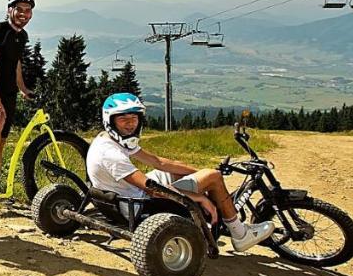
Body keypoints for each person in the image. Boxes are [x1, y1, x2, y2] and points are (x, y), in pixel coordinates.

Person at [87, 93, 275, 251]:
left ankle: (208, 218)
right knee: (214, 177)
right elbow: (150, 189)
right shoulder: (111, 154)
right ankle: (240, 233)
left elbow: (158, 162)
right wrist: (198, 197)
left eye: (133, 119)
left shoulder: (111, 139)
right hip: (139, 205)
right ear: (110, 120)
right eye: (123, 120)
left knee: (196, 174)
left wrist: (200, 172)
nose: (130, 125)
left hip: (129, 195)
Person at [0, 0, 37, 177]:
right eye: (19, 9)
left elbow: (16, 63)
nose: (23, 14)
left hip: (9, 91)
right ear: (9, 10)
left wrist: (23, 88)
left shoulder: (22, 35)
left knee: (3, 138)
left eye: (27, 10)